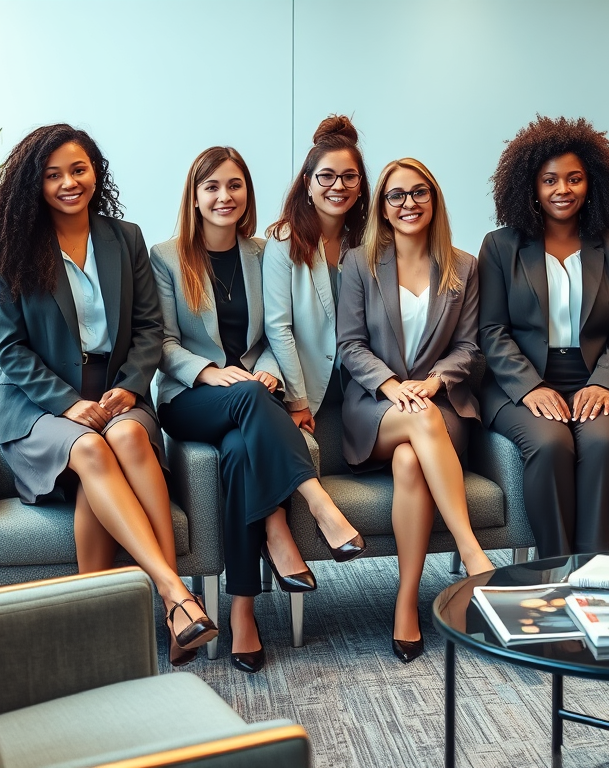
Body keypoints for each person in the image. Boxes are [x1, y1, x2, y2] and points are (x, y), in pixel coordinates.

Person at [0, 124, 217, 666]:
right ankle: (178, 597)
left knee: (125, 441)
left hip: (119, 395)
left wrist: (128, 388)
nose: (67, 183)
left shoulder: (123, 238)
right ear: (36, 185)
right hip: (37, 408)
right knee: (88, 449)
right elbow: (10, 352)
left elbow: (150, 328)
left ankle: (105, 635)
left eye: (77, 170)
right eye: (53, 175)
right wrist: (66, 403)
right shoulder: (14, 251)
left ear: (95, 172)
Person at [151, 146, 365, 674]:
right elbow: (161, 341)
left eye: (235, 186)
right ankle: (316, 505)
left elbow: (276, 325)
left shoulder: (263, 251)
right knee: (247, 398)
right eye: (212, 187)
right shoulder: (165, 256)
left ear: (247, 193)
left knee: (241, 451)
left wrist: (269, 368)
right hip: (190, 398)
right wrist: (208, 372)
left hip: (249, 397)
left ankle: (242, 612)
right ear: (194, 197)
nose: (225, 197)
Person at [337, 157, 494, 663]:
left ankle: (406, 604)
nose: (409, 204)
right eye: (396, 195)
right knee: (415, 425)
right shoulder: (358, 264)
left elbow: (470, 347)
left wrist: (431, 382)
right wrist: (390, 385)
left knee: (411, 461)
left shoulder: (464, 265)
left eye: (419, 193)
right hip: (375, 408)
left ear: (435, 199)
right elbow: (350, 344)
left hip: (440, 404)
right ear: (382, 206)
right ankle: (472, 555)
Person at [480, 116, 609, 559]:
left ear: (592, 184)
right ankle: (555, 566)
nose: (562, 189)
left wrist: (604, 382)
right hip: (522, 384)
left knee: (602, 442)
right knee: (551, 443)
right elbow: (491, 330)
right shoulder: (500, 246)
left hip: (597, 379)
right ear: (530, 186)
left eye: (574, 179)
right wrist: (530, 386)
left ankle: (593, 567)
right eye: (549, 180)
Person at [263, 115, 370, 434]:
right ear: (307, 183)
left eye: (349, 177)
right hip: (309, 384)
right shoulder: (285, 240)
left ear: (361, 186)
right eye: (326, 176)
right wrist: (297, 400)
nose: (338, 186)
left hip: (362, 383)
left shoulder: (369, 242)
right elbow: (278, 327)